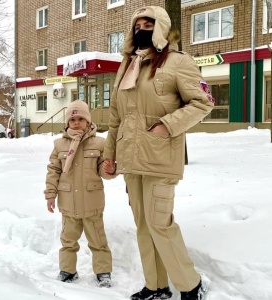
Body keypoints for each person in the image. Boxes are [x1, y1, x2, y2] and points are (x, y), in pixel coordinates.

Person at [102, 6, 214, 300]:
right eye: (137, 23)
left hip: (161, 159)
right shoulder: (127, 65)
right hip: (131, 159)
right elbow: (116, 117)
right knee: (143, 226)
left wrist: (167, 125)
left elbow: (202, 103)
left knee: (159, 224)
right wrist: (109, 154)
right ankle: (156, 286)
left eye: (148, 23)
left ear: (162, 27)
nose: (142, 28)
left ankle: (191, 285)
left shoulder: (179, 62)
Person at [44, 100, 116, 288]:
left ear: (88, 121)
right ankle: (67, 270)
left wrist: (109, 170)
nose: (77, 123)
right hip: (69, 203)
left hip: (92, 202)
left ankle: (103, 272)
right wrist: (50, 194)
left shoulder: (100, 142)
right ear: (67, 122)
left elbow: (103, 169)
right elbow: (54, 171)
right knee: (68, 241)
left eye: (81, 119)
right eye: (73, 119)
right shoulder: (60, 144)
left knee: (98, 241)